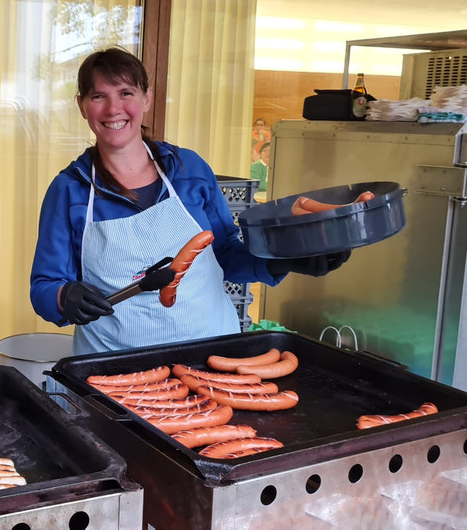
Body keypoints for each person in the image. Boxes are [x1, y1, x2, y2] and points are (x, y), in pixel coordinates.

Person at [30, 48, 350, 355]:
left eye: (126, 93)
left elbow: (225, 254)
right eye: (98, 96)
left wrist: (282, 260)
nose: (113, 108)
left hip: (208, 355)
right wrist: (63, 296)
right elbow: (44, 285)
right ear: (82, 106)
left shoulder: (188, 169)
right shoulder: (69, 190)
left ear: (146, 98)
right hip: (115, 368)